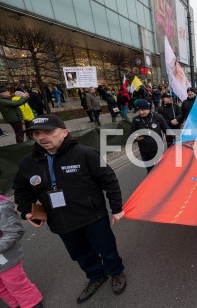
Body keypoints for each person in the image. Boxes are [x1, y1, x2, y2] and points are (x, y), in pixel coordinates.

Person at [12, 114, 127, 304]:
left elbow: (109, 180)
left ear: (64, 132)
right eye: (37, 133)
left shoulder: (86, 154)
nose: (42, 137)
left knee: (106, 248)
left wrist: (116, 208)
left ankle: (116, 272)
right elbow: (21, 190)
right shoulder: (27, 163)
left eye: (48, 132)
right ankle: (96, 276)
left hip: (93, 216)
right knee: (79, 253)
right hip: (60, 221)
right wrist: (27, 211)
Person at [0, 194, 43, 308]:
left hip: (6, 258)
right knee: (1, 289)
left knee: (16, 284)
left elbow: (14, 231)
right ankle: (16, 305)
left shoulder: (2, 207)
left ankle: (31, 304)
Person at [131, 99, 169, 173]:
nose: (141, 112)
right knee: (150, 171)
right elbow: (132, 133)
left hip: (158, 149)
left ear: (148, 108)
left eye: (143, 110)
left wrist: (174, 140)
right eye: (139, 110)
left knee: (160, 169)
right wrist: (135, 137)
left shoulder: (158, 117)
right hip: (144, 150)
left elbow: (167, 130)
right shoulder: (136, 119)